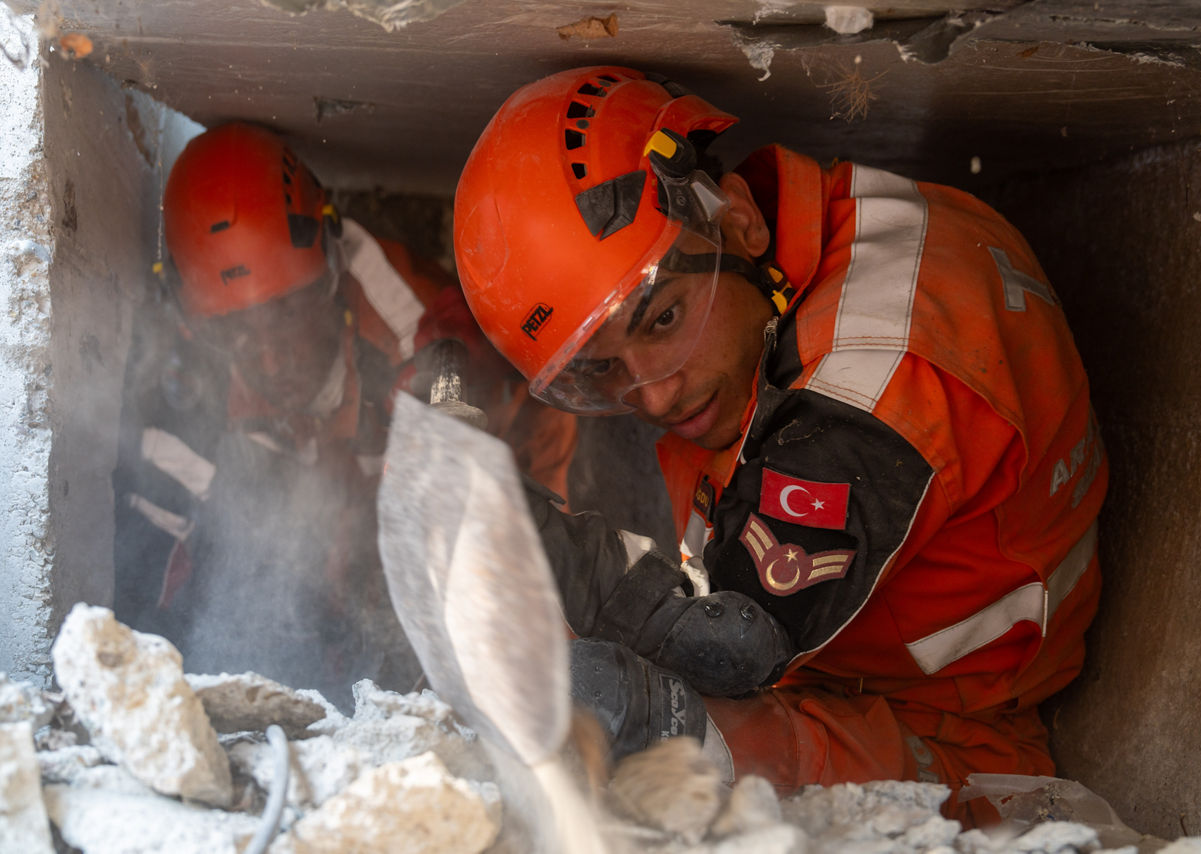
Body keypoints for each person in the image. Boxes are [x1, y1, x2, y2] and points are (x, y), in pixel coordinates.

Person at [451, 66, 1107, 823]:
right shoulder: (799, 246)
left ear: (735, 219)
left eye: (663, 320)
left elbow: (727, 641)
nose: (656, 393)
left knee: (633, 736)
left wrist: (523, 538)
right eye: (603, 369)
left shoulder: (875, 389)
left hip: (948, 732)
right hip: (834, 646)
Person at [113, 122, 576, 705]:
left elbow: (463, 507)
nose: (273, 358)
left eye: (287, 313)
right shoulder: (188, 375)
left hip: (486, 466)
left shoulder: (417, 331)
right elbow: (152, 559)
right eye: (237, 334)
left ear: (330, 264)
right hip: (345, 486)